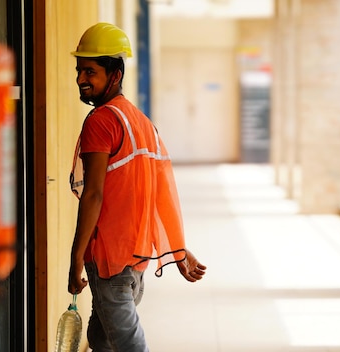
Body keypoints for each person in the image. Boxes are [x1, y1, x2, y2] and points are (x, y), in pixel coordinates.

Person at [67, 22, 207, 351]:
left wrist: (75, 259)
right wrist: (177, 247)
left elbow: (94, 193)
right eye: (79, 70)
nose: (81, 79)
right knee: (102, 338)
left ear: (115, 75)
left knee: (128, 344)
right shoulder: (142, 122)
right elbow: (158, 193)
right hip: (135, 260)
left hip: (109, 261)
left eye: (90, 71)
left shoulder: (102, 121)